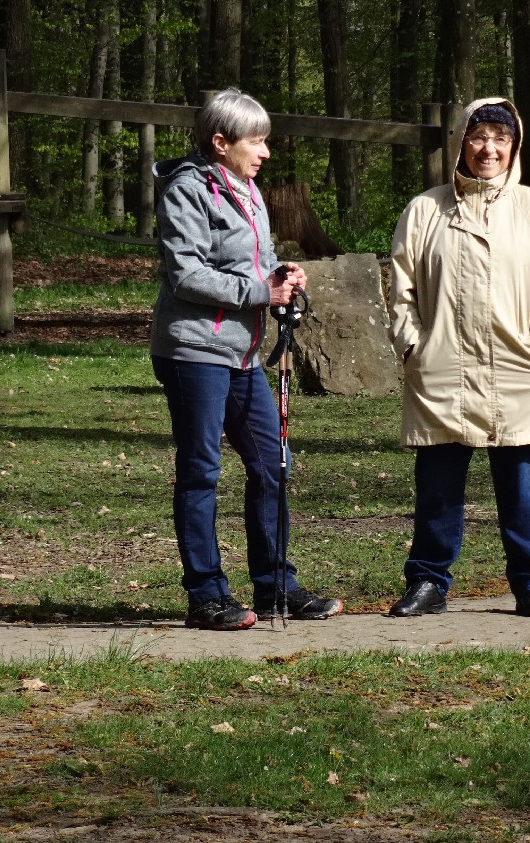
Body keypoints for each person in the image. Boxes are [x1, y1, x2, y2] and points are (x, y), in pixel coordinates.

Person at [151, 87, 343, 631]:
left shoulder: (248, 189)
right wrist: (262, 290)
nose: (265, 152)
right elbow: (186, 275)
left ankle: (276, 585)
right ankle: (206, 595)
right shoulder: (187, 190)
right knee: (201, 470)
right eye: (256, 141)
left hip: (241, 353)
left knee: (273, 464)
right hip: (193, 351)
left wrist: (282, 275)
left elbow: (255, 259)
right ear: (221, 142)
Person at [388, 97, 530, 618]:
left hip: (519, 367)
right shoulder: (425, 210)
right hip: (442, 367)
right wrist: (413, 344)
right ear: (460, 143)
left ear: (514, 146)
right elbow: (401, 288)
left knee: (522, 486)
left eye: (500, 138)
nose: (488, 148)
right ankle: (428, 582)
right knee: (438, 485)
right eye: (478, 136)